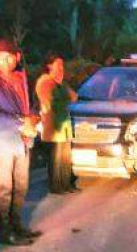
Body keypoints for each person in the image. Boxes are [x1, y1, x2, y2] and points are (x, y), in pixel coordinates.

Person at [0, 38, 41, 246]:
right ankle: (5, 233)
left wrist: (34, 117)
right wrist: (22, 122)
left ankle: (16, 225)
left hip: (22, 141)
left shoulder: (20, 75)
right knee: (3, 188)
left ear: (17, 56)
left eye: (9, 57)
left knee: (20, 186)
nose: (4, 62)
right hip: (0, 143)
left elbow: (30, 103)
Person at [35, 52, 78, 194]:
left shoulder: (59, 82)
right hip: (53, 125)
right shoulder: (45, 81)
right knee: (56, 159)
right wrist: (64, 97)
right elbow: (49, 103)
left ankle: (66, 184)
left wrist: (61, 85)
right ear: (49, 65)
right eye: (58, 64)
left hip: (64, 123)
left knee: (65, 158)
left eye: (62, 65)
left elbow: (74, 97)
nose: (61, 67)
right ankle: (56, 186)